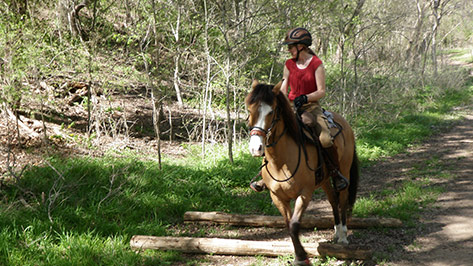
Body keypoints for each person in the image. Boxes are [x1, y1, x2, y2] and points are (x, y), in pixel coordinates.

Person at [250, 27, 349, 192]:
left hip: (311, 107)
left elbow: (321, 91)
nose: (288, 50)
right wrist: (279, 102)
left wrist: (306, 97)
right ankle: (264, 175)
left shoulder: (317, 64)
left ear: (301, 46)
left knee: (325, 138)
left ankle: (335, 173)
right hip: (290, 107)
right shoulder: (289, 64)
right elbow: (283, 88)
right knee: (271, 132)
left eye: (291, 46)